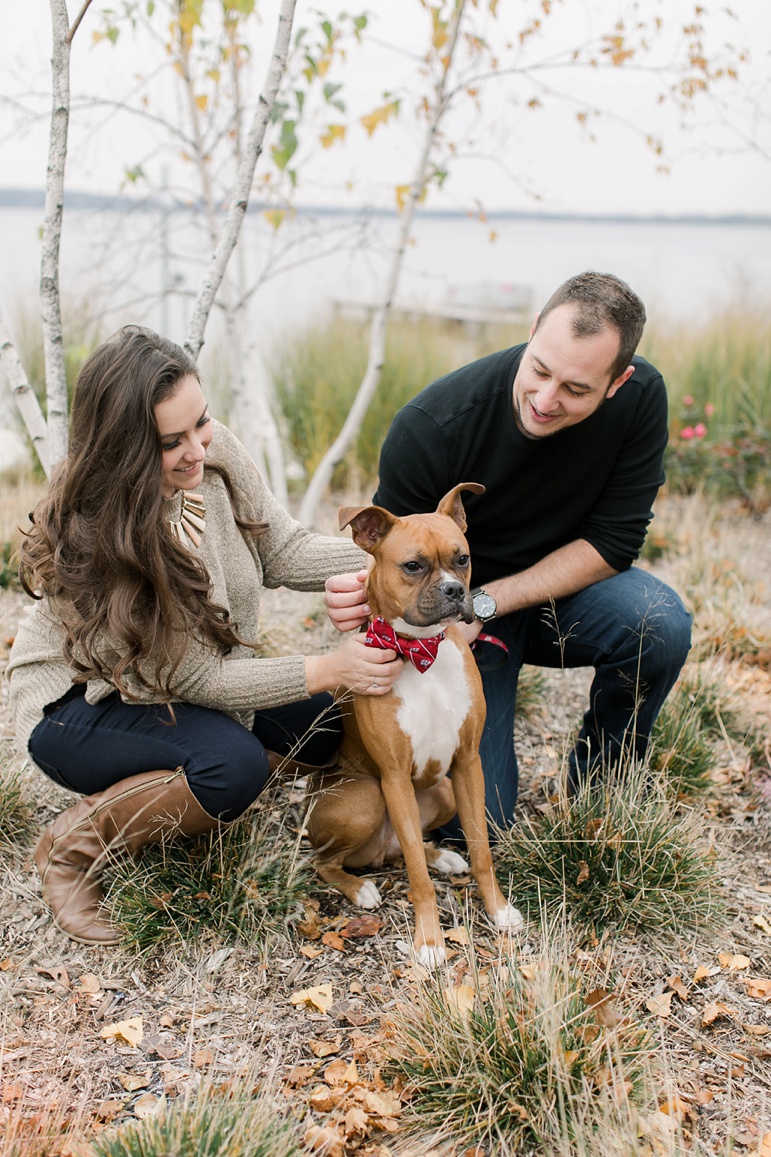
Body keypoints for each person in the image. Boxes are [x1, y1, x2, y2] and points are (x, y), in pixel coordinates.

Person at [8, 325, 403, 946]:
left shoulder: (212, 453)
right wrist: (330, 665)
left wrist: (403, 562)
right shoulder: (102, 532)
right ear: (126, 450)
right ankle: (72, 849)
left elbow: (283, 549)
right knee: (231, 764)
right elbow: (202, 679)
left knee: (328, 723)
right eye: (172, 441)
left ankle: (193, 808)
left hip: (177, 686)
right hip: (78, 705)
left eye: (203, 422)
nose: (199, 448)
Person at [325, 271, 692, 840]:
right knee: (476, 824)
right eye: (540, 369)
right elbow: (386, 561)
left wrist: (486, 603)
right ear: (531, 333)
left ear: (618, 381)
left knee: (659, 624)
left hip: (551, 601)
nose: (545, 401)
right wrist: (358, 603)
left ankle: (603, 791)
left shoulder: (642, 399)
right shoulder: (432, 427)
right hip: (452, 629)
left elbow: (615, 542)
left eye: (576, 389)